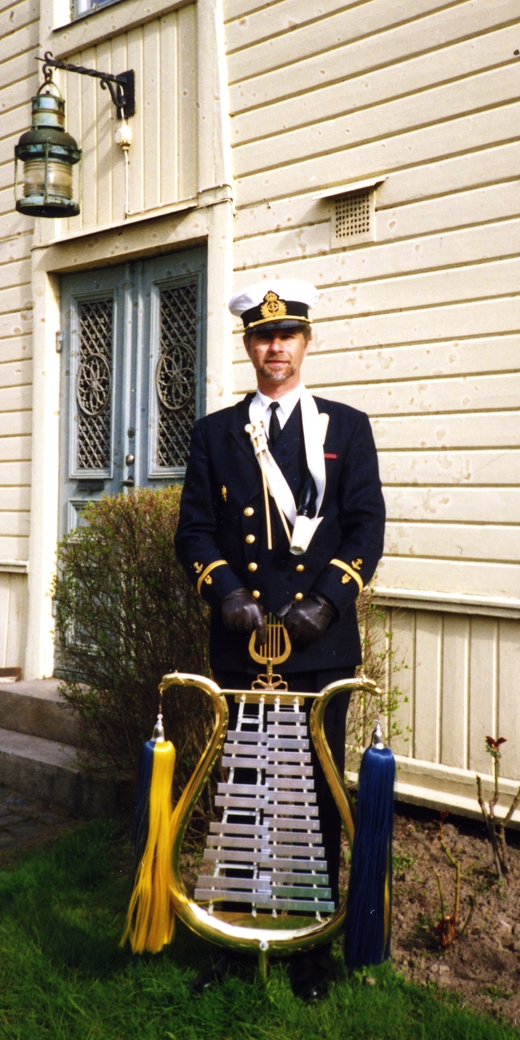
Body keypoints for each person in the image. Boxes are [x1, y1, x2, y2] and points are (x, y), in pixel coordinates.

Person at [174, 278, 386, 1000]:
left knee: (316, 795)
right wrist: (224, 589)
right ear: (248, 346)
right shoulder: (215, 434)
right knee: (245, 786)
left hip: (319, 648)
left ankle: (309, 941)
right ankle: (236, 925)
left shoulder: (346, 429)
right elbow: (195, 531)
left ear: (305, 342)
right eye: (263, 338)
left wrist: (329, 602)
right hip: (243, 646)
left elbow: (365, 527)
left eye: (287, 336)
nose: (275, 348)